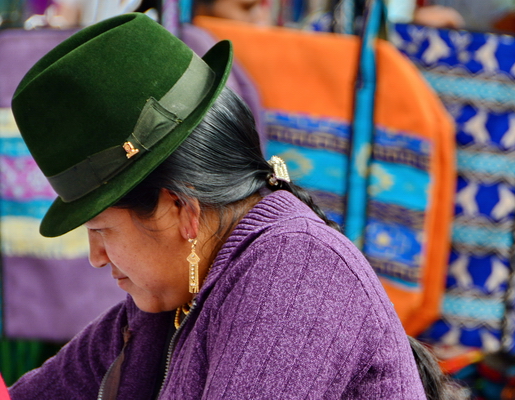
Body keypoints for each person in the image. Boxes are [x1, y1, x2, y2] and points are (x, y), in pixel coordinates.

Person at [8, 12, 455, 399]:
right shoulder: (172, 298)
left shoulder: (294, 273)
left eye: (101, 230)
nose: (96, 256)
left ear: (180, 209)